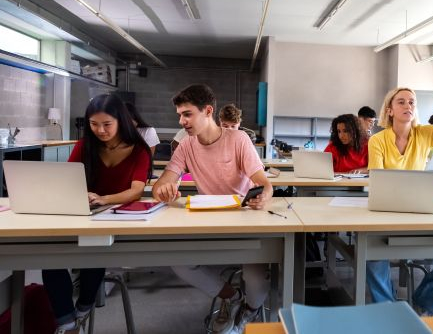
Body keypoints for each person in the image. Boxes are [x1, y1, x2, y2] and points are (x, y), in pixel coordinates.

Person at [152, 84, 273, 334]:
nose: (182, 121)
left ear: (207, 111)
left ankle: (250, 310)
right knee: (180, 262)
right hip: (209, 220)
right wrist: (162, 189)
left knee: (257, 279)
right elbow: (163, 182)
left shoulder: (238, 139)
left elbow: (263, 182)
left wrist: (264, 195)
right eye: (179, 115)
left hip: (243, 218)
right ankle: (232, 296)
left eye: (187, 114)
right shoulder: (186, 145)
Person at [367, 64, 433, 316]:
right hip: (386, 210)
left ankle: (424, 304)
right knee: (372, 257)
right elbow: (377, 180)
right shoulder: (378, 140)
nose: (408, 106)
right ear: (390, 110)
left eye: (412, 102)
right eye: (402, 102)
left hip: (419, 209)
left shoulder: (425, 133)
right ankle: (388, 309)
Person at [43, 94, 152, 334]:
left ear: (121, 121)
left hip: (116, 216)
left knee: (95, 250)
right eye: (94, 124)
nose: (100, 130)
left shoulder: (139, 150)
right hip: (83, 213)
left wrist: (103, 199)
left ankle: (83, 308)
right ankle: (68, 323)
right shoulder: (85, 146)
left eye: (106, 124)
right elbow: (68, 179)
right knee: (48, 258)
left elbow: (135, 191)